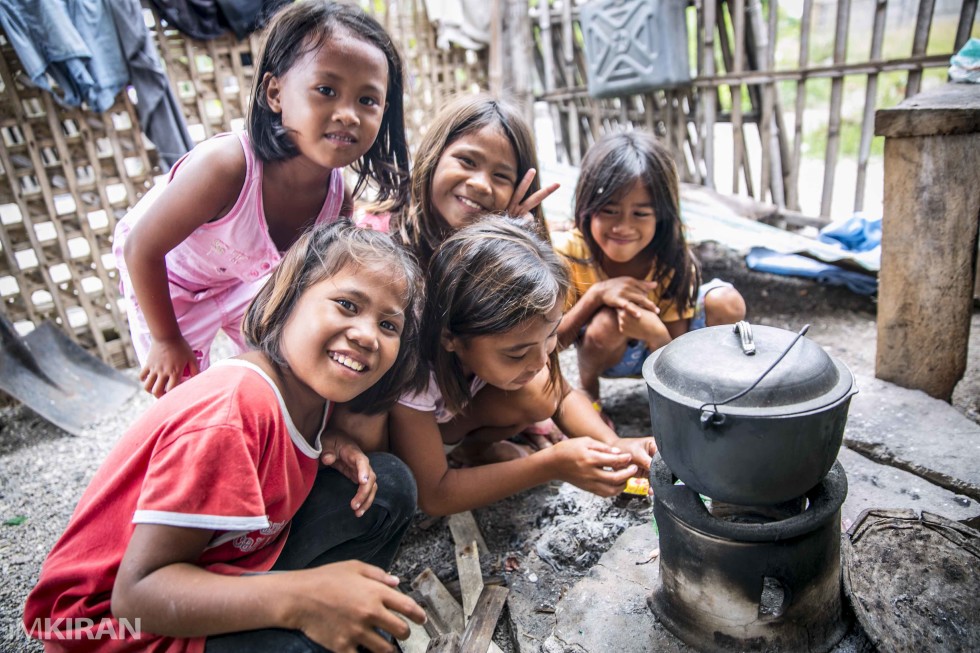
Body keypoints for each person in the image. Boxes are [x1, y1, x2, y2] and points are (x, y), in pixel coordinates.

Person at [24, 222, 428, 653]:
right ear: (287, 301)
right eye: (347, 304)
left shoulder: (313, 394)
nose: (367, 335)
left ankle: (344, 621)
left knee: (388, 486)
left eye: (389, 325)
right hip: (107, 628)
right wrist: (300, 598)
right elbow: (135, 595)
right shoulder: (234, 412)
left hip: (217, 570)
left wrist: (330, 442)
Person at [114, 0, 410, 397]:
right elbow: (141, 249)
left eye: (367, 101)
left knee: (279, 374)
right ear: (275, 93)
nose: (348, 114)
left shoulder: (336, 200)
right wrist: (166, 340)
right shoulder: (226, 167)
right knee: (181, 391)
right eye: (326, 90)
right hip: (166, 280)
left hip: (244, 281)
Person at [387, 216, 656, 516]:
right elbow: (435, 496)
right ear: (451, 337)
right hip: (412, 442)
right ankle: (466, 456)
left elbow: (562, 396)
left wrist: (616, 446)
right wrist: (550, 465)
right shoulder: (413, 375)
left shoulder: (509, 338)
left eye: (551, 336)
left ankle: (474, 452)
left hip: (454, 416)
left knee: (540, 390)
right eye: (516, 354)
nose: (540, 361)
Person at [554, 130, 746, 409]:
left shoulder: (672, 258)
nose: (622, 227)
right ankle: (588, 393)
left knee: (726, 301)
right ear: (587, 207)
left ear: (661, 215)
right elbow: (548, 345)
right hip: (606, 351)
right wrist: (596, 296)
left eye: (641, 214)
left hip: (665, 348)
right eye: (609, 210)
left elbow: (675, 347)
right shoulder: (568, 253)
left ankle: (709, 390)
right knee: (608, 321)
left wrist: (654, 332)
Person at [385, 92, 559, 263]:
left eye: (500, 176)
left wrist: (511, 244)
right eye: (467, 161)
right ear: (433, 156)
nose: (481, 185)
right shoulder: (379, 241)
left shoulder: (516, 259)